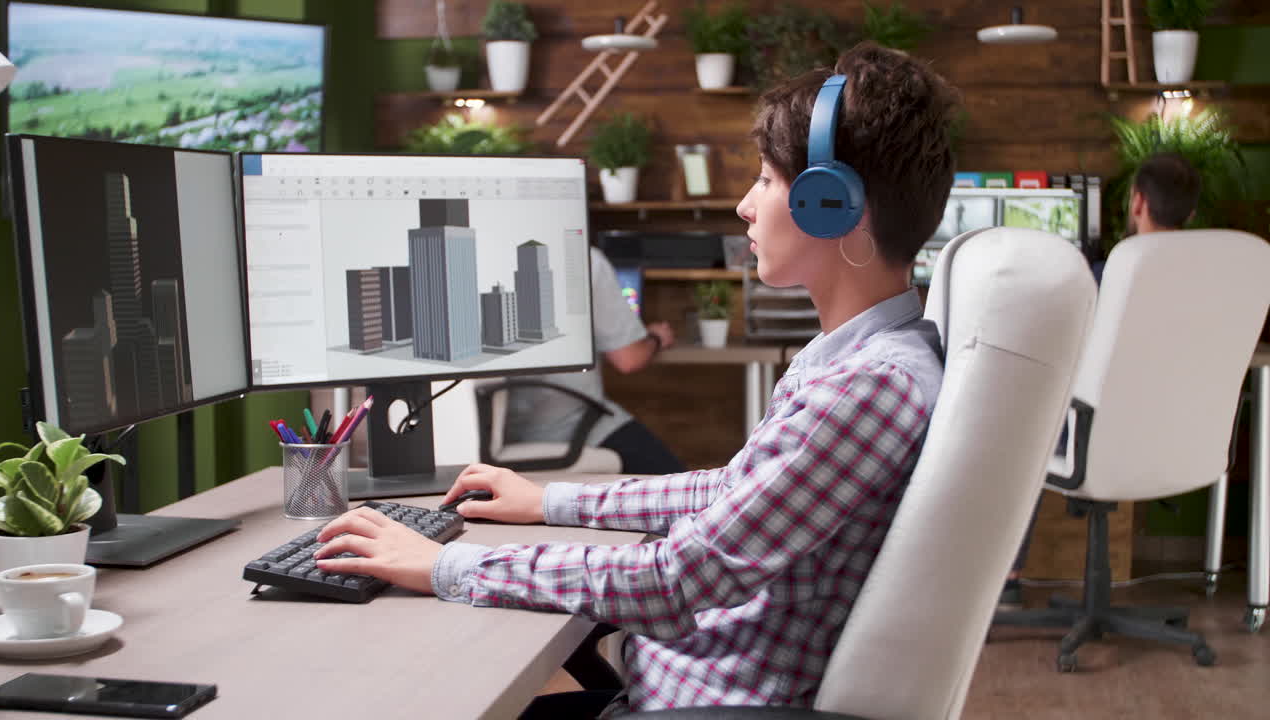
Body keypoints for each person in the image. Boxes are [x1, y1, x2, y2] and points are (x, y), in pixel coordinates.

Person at [312, 42, 959, 717]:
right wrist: (551, 501)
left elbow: (673, 580)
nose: (745, 205)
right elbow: (729, 488)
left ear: (829, 205)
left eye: (766, 180)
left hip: (697, 703)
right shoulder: (856, 361)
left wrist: (444, 567)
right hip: (678, 677)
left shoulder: (866, 391)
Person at [1001, 150, 1201, 608]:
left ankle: (1008, 578)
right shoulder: (1209, 282)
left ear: (1136, 202)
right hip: (1180, 443)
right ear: (1189, 212)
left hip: (1098, 439)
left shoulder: (1110, 274)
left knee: (1025, 425)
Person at [501, 245, 685, 475]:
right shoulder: (582, 259)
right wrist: (656, 337)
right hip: (575, 430)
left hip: (492, 440)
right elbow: (629, 358)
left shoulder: (485, 256)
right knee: (678, 484)